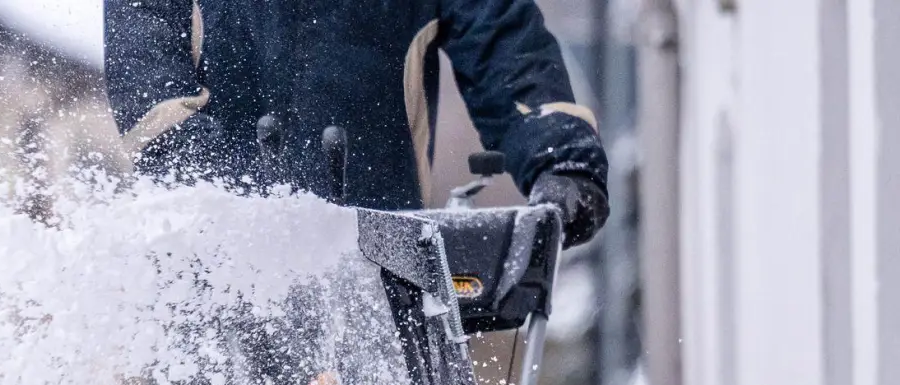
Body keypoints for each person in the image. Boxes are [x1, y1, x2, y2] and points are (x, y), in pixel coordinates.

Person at [104, 0, 609, 248]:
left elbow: (503, 41)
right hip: (220, 266)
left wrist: (560, 157)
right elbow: (147, 79)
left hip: (382, 260)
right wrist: (222, 194)